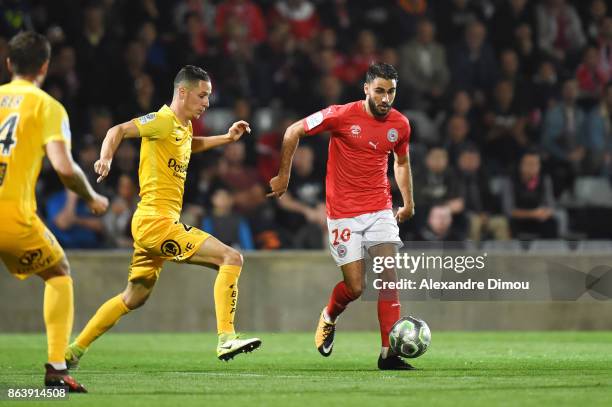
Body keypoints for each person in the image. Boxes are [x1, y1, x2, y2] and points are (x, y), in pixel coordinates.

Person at [65, 65, 261, 368]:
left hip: (150, 223)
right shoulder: (161, 120)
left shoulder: (183, 127)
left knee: (134, 297)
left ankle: (74, 350)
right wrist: (105, 159)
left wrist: (225, 138)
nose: (207, 102)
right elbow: (116, 131)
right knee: (231, 258)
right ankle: (226, 338)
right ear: (182, 92)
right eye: (202, 95)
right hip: (156, 222)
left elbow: (188, 146)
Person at [268, 63, 415, 370]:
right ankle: (329, 316)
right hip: (344, 213)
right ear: (366, 89)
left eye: (391, 92)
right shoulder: (341, 115)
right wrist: (283, 176)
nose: (386, 98)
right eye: (379, 91)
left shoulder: (400, 125)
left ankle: (389, 353)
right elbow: (293, 130)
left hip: (379, 209)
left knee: (388, 276)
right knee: (355, 288)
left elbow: (401, 163)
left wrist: (408, 202)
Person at [0, 31, 109, 392]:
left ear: (9, 63)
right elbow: (64, 167)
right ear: (45, 67)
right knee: (58, 271)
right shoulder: (47, 106)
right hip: (11, 214)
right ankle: (56, 370)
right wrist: (91, 196)